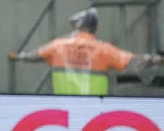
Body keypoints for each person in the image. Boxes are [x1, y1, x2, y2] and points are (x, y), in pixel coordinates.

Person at [10, 7, 163, 96]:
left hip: (64, 109)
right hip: (94, 110)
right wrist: (158, 59)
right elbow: (134, 60)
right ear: (94, 28)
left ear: (78, 26)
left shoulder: (58, 46)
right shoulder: (103, 49)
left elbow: (35, 56)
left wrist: (19, 56)